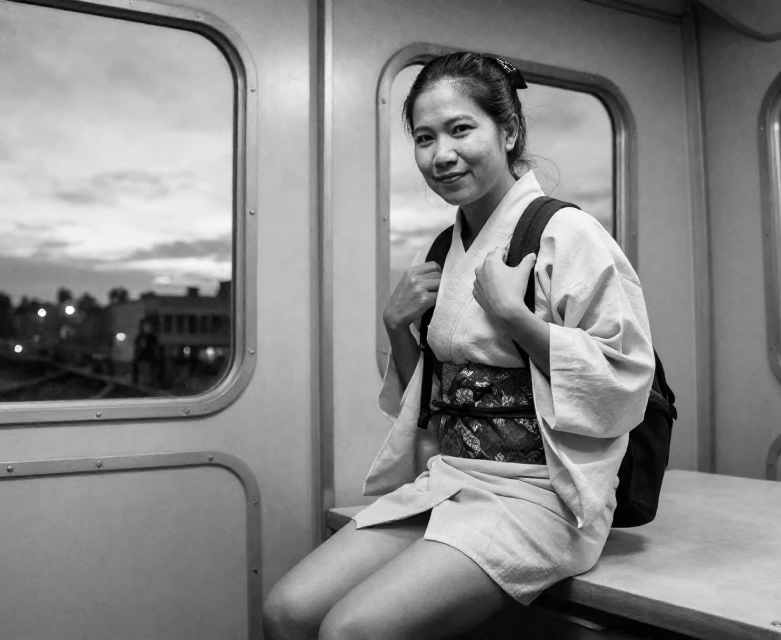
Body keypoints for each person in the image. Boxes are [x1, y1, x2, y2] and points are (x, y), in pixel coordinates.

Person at [263, 52, 656, 640]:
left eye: (460, 129)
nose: (441, 154)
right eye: (424, 138)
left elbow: (625, 385)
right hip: (450, 477)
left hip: (543, 493)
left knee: (352, 632)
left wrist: (514, 317)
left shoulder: (568, 233)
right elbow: (426, 401)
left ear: (509, 131)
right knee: (287, 611)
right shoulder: (445, 250)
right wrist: (398, 327)